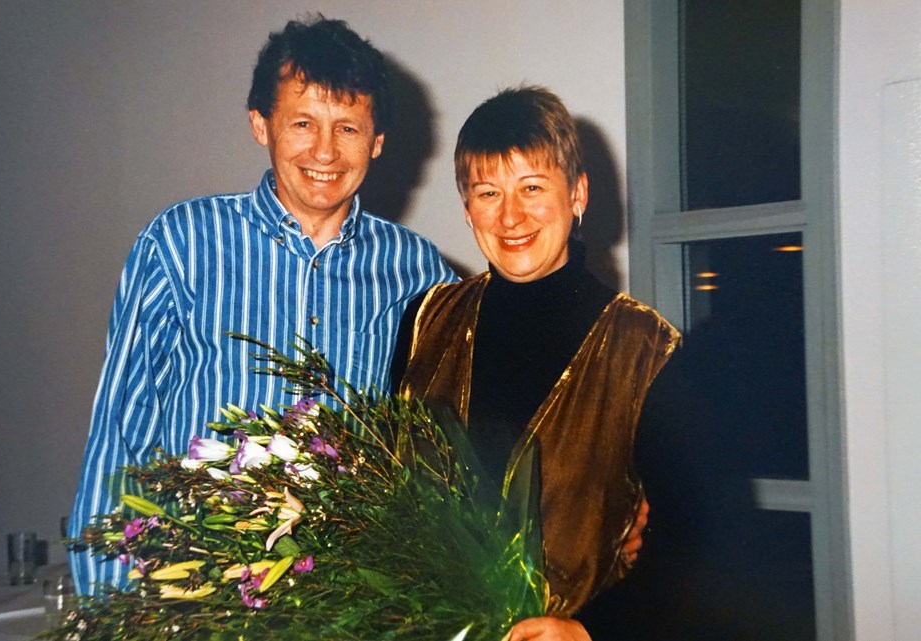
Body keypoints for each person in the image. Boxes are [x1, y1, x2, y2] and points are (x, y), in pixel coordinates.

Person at [68, 15, 456, 595]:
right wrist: (111, 609)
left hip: (351, 604)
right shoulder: (181, 244)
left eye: (348, 128)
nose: (324, 150)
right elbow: (121, 439)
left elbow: (453, 446)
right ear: (260, 125)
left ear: (377, 142)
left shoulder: (418, 271)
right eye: (302, 122)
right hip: (199, 601)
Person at [393, 87, 680, 641]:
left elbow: (696, 547)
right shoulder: (426, 322)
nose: (510, 215)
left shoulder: (646, 348)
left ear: (577, 194)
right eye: (488, 192)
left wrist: (589, 630)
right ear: (467, 208)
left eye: (532, 187)